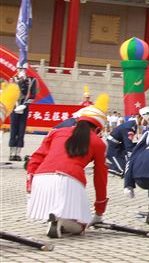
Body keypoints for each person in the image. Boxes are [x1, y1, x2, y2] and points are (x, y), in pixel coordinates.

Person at [26, 96, 108, 238]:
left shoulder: (56, 132)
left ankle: (55, 217)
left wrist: (29, 185)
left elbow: (35, 158)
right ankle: (60, 219)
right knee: (80, 227)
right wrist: (99, 211)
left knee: (57, 207)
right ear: (98, 128)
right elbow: (100, 178)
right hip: (70, 181)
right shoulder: (99, 143)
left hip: (41, 179)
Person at [106, 107, 149, 176]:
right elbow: (129, 147)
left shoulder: (134, 125)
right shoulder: (129, 127)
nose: (147, 123)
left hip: (119, 148)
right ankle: (102, 166)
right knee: (123, 172)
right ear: (141, 117)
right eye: (147, 121)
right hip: (112, 149)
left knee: (127, 168)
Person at [8, 64, 38, 161]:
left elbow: (33, 94)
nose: (22, 70)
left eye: (24, 69)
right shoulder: (13, 80)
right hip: (14, 108)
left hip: (24, 108)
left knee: (21, 130)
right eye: (20, 68)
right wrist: (15, 105)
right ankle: (11, 152)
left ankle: (18, 152)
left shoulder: (31, 80)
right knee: (13, 130)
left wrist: (25, 105)